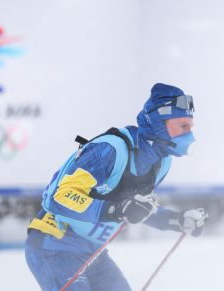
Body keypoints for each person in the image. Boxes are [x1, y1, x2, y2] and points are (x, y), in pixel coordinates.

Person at [25, 83, 208, 291]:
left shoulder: (161, 162)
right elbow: (60, 197)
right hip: (54, 244)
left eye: (190, 127)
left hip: (94, 252)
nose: (189, 135)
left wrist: (176, 219)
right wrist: (115, 209)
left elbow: (137, 208)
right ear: (159, 123)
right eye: (183, 126)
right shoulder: (110, 150)